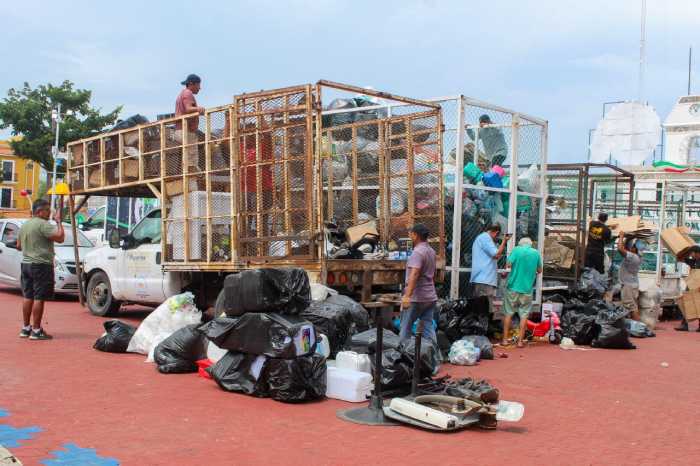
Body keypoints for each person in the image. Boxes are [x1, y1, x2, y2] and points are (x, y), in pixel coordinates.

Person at [17, 198, 65, 340]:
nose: (49, 213)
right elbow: (60, 237)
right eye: (47, 210)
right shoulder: (43, 224)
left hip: (26, 264)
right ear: (39, 211)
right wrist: (58, 222)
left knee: (27, 296)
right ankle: (36, 330)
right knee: (39, 297)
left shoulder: (25, 225)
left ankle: (26, 328)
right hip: (41, 265)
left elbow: (19, 246)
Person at [400, 224, 438, 343]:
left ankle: (401, 355)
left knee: (405, 328)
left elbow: (414, 274)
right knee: (428, 328)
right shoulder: (431, 251)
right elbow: (433, 273)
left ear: (416, 235)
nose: (409, 235)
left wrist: (407, 296)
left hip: (417, 298)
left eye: (411, 233)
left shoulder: (417, 252)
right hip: (430, 296)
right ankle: (434, 356)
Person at [502, 237, 542, 348]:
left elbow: (508, 265)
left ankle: (505, 340)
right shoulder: (536, 253)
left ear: (520, 244)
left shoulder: (516, 250)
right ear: (530, 244)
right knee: (524, 315)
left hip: (513, 287)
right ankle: (520, 341)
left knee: (508, 313)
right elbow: (539, 270)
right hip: (527, 289)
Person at [470, 224, 510, 314]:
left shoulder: (482, 238)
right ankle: (482, 326)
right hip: (484, 279)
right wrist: (504, 241)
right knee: (484, 307)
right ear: (496, 233)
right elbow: (496, 254)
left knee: (482, 306)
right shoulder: (485, 238)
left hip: (483, 279)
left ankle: (482, 325)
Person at [175, 74, 205, 171]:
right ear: (192, 84)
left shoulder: (183, 93)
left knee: (189, 157)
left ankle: (190, 174)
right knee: (191, 161)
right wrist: (199, 109)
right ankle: (191, 178)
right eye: (198, 85)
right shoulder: (188, 93)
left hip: (181, 130)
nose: (199, 88)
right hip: (185, 131)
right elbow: (188, 108)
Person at [618, 231, 642, 321]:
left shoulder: (632, 257)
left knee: (632, 308)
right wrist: (629, 238)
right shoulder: (637, 257)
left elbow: (620, 249)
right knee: (632, 307)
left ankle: (639, 327)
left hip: (628, 286)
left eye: (633, 246)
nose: (631, 247)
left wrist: (621, 236)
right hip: (633, 285)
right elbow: (625, 248)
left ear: (635, 249)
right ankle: (635, 326)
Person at [675, 245, 700, 331]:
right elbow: (679, 258)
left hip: (698, 286)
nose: (691, 255)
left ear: (696, 253)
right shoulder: (693, 261)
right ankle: (684, 324)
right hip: (691, 284)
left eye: (692, 253)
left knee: (698, 304)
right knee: (686, 302)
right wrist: (686, 250)